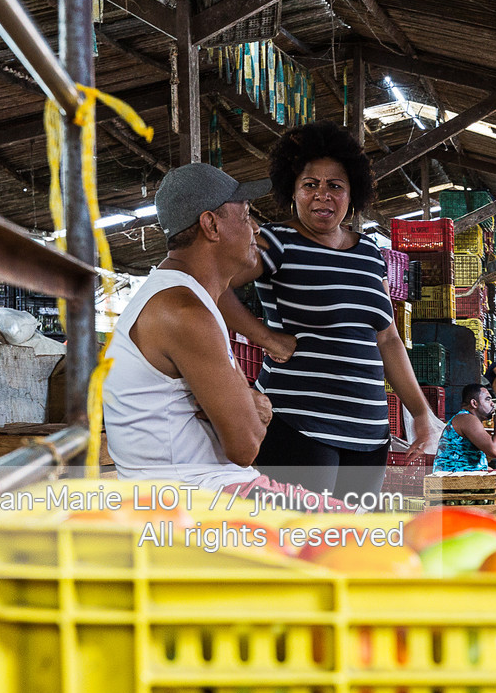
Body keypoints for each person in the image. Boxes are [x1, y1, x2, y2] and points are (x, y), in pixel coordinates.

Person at [216, 122, 441, 497]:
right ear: (292, 190)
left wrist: (420, 412)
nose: (323, 195)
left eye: (335, 185)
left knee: (348, 545)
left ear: (353, 193)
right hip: (299, 427)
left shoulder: (370, 253)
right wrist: (266, 337)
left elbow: (387, 338)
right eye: (310, 185)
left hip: (370, 434)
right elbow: (214, 284)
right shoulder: (276, 241)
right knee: (300, 542)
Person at [101, 163, 274, 491]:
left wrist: (244, 404)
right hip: (196, 507)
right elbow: (245, 445)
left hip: (202, 494)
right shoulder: (184, 311)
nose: (255, 228)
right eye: (246, 215)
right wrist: (258, 410)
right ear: (211, 225)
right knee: (368, 533)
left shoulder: (180, 298)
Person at [433, 383, 496, 473]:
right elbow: (495, 451)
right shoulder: (467, 419)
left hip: (460, 476)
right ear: (474, 403)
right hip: (453, 479)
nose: (493, 404)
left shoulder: (466, 418)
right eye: (487, 399)